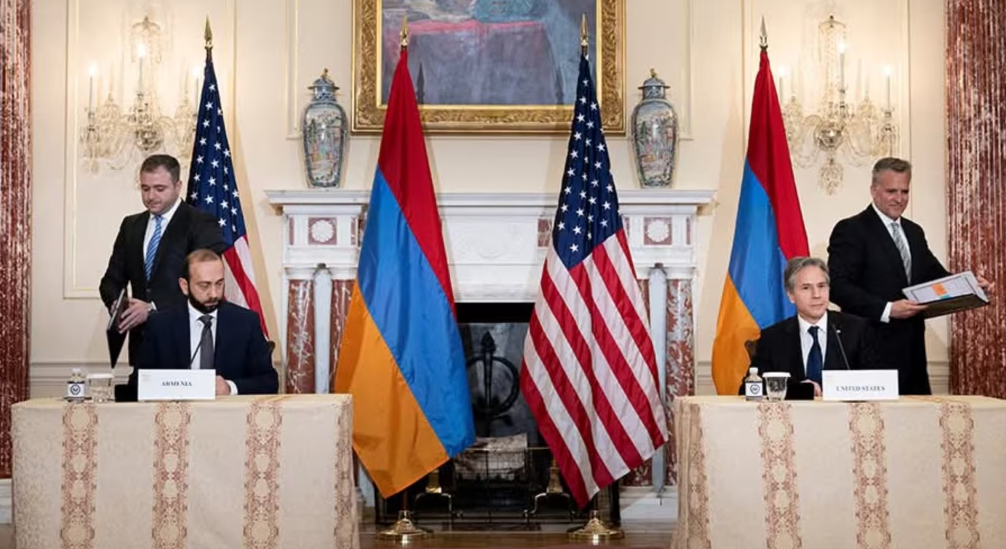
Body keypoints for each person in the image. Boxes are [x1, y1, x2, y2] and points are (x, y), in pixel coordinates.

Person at [827, 157, 992, 395]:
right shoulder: (851, 229)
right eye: (891, 191)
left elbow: (936, 278)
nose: (899, 198)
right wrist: (888, 309)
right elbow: (838, 286)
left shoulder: (914, 232)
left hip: (913, 355)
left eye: (904, 191)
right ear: (874, 190)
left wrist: (971, 286)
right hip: (869, 351)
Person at [99, 154, 226, 366]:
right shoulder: (131, 226)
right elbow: (110, 281)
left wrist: (152, 307)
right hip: (142, 346)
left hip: (184, 342)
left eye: (159, 189)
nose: (151, 196)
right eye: (145, 188)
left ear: (178, 186)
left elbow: (204, 286)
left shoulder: (201, 223)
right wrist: (119, 306)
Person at [133, 249, 277, 396]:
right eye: (204, 285)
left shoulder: (246, 322)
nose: (214, 294)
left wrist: (230, 387)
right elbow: (138, 382)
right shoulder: (160, 325)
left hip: (227, 410)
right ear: (184, 286)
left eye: (219, 284)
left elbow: (269, 381)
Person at [742, 257, 886, 398]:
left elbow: (879, 383)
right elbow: (749, 390)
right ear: (791, 295)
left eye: (821, 286)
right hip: (796, 413)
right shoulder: (773, 338)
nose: (816, 295)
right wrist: (799, 390)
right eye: (806, 288)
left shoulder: (857, 330)